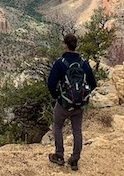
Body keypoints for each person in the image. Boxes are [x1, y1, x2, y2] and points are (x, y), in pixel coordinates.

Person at [47, 33, 97, 171]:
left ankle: (59, 155)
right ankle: (74, 160)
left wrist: (57, 95)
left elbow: (51, 83)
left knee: (57, 127)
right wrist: (83, 95)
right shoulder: (84, 64)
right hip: (79, 105)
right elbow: (93, 83)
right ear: (76, 46)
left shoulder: (60, 63)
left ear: (65, 46)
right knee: (77, 131)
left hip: (63, 104)